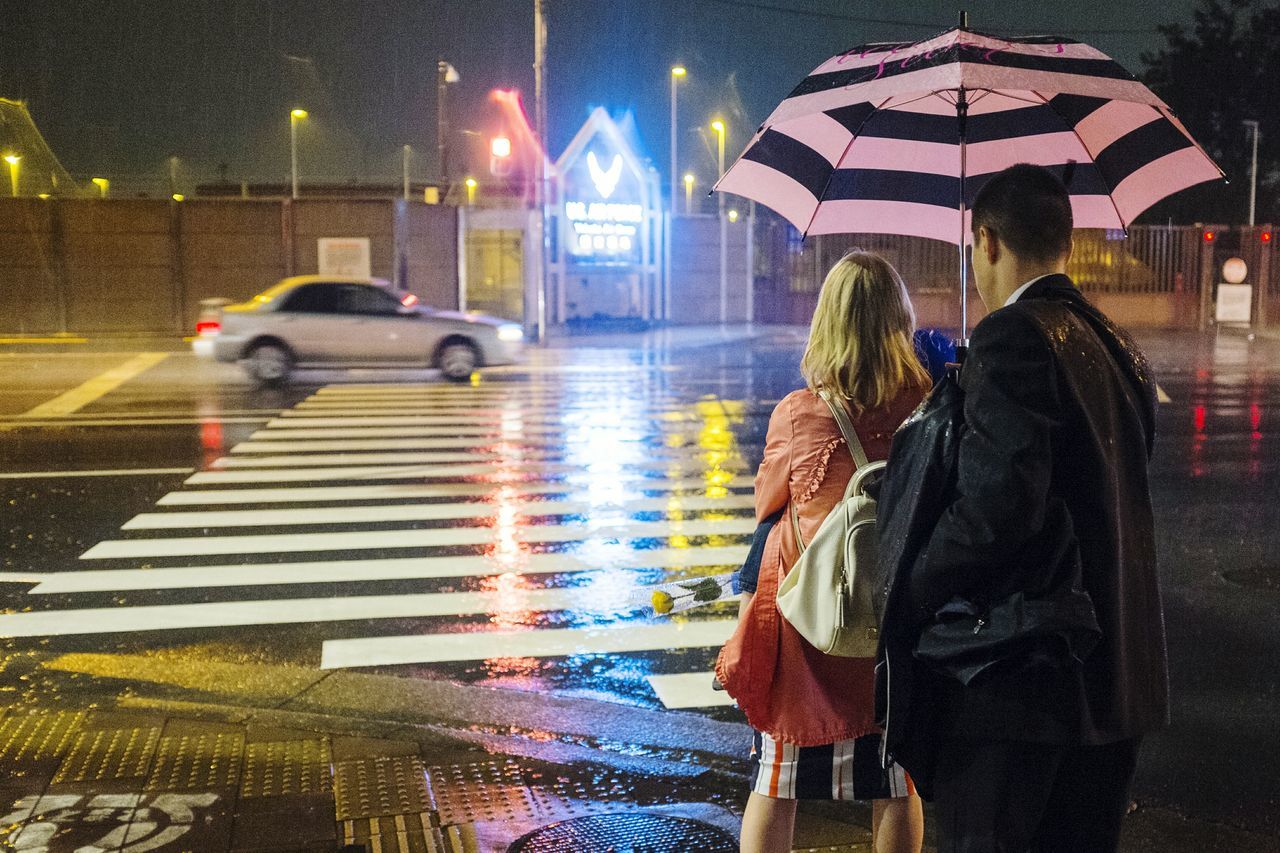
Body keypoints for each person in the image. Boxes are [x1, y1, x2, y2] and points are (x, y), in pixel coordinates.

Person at [888, 164, 1165, 852]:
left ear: (985, 241)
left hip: (1024, 688)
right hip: (1115, 681)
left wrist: (906, 584)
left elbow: (996, 509)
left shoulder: (1014, 336)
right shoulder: (1115, 343)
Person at [717, 251, 929, 853]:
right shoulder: (926, 406)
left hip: (809, 622)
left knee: (776, 780)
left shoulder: (798, 413)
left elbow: (769, 504)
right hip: (888, 624)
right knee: (894, 779)